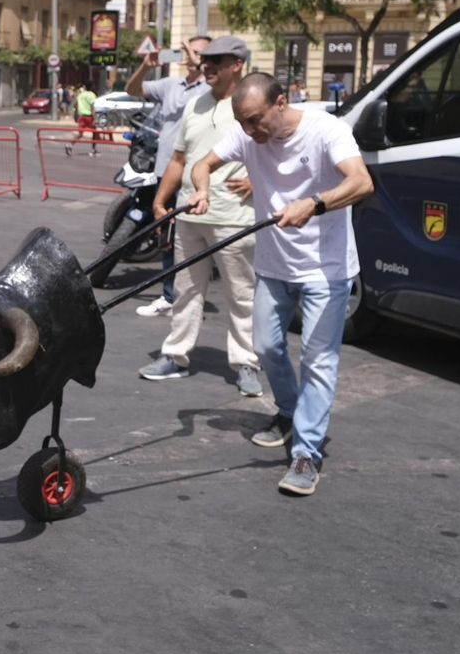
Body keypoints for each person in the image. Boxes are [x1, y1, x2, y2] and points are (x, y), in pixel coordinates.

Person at [186, 72, 375, 496]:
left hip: (325, 270)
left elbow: (362, 182)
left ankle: (307, 453)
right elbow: (202, 164)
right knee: (268, 347)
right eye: (243, 123)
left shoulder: (328, 131)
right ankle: (290, 413)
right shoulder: (247, 135)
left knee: (318, 359)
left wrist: (314, 203)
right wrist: (201, 190)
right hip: (274, 265)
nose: (250, 132)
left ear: (281, 102)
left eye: (255, 120)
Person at [138, 36, 261, 398]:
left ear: (237, 64)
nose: (205, 66)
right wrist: (161, 202)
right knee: (186, 291)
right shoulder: (194, 105)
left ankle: (246, 363)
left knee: (241, 295)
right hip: (190, 214)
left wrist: (258, 179)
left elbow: (277, 152)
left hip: (234, 217)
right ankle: (175, 356)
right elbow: (179, 159)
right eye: (204, 60)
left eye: (215, 61)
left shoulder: (252, 104)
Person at [126, 35, 211, 317]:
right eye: (186, 50)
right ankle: (169, 296)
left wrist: (198, 60)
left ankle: (190, 300)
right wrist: (146, 67)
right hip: (166, 170)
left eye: (196, 52)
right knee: (168, 235)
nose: (188, 55)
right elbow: (133, 89)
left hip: (196, 175)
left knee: (195, 239)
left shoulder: (211, 88)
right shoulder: (171, 85)